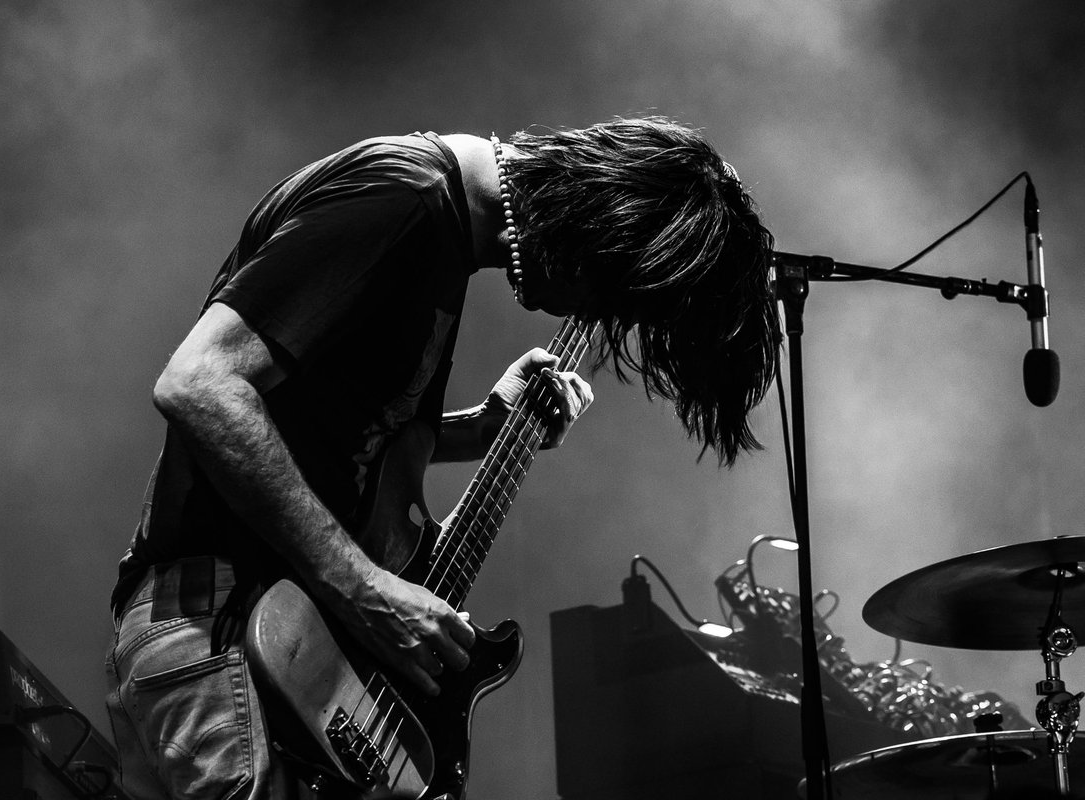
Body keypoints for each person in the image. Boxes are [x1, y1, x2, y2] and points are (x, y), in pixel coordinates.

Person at [104, 116, 778, 800]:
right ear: (598, 232)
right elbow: (200, 383)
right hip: (221, 624)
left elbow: (333, 433)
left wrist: (477, 431)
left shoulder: (440, 238)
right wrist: (364, 588)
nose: (597, 315)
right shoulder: (399, 204)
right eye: (613, 296)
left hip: (275, 644)